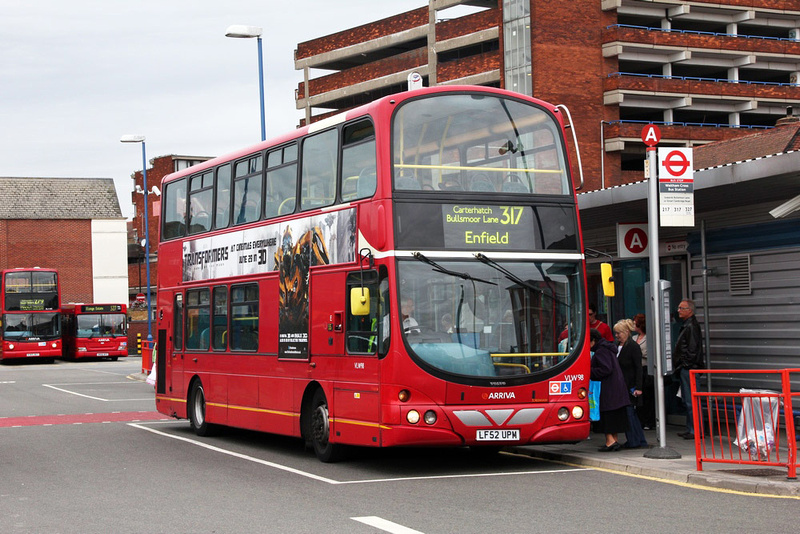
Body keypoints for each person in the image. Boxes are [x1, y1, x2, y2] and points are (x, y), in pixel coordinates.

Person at [589, 328, 630, 452]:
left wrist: (589, 371)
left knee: (606, 416)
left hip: (607, 389)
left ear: (593, 341)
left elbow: (605, 369)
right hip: (616, 389)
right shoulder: (608, 349)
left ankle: (610, 442)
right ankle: (614, 440)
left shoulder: (601, 351)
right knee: (614, 417)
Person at [673, 299, 705, 440]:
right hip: (687, 367)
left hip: (689, 368)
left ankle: (695, 430)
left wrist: (684, 364)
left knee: (691, 400)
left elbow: (692, 349)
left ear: (689, 310)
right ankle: (691, 428)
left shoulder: (691, 326)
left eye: (681, 308)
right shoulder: (689, 325)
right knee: (688, 399)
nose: (678, 310)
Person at [614, 319, 648, 449]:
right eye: (616, 333)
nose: (617, 336)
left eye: (619, 333)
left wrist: (639, 387)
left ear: (627, 332)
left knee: (629, 413)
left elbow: (638, 368)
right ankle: (639, 440)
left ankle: (634, 440)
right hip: (622, 385)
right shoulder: (618, 346)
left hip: (630, 386)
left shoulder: (633, 347)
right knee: (630, 414)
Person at [633, 313, 655, 429]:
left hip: (646, 368)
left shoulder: (648, 339)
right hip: (637, 369)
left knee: (648, 396)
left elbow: (648, 353)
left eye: (635, 322)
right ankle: (640, 420)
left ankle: (649, 421)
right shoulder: (633, 338)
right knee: (638, 397)